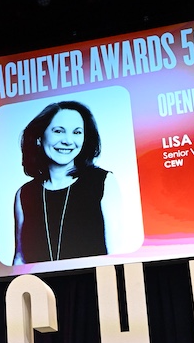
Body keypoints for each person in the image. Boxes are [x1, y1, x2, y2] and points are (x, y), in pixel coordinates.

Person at [13, 101, 124, 264]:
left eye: (77, 132)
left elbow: (115, 253)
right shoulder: (24, 194)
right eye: (58, 131)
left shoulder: (104, 182)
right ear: (39, 137)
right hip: (39, 281)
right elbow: (20, 258)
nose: (68, 141)